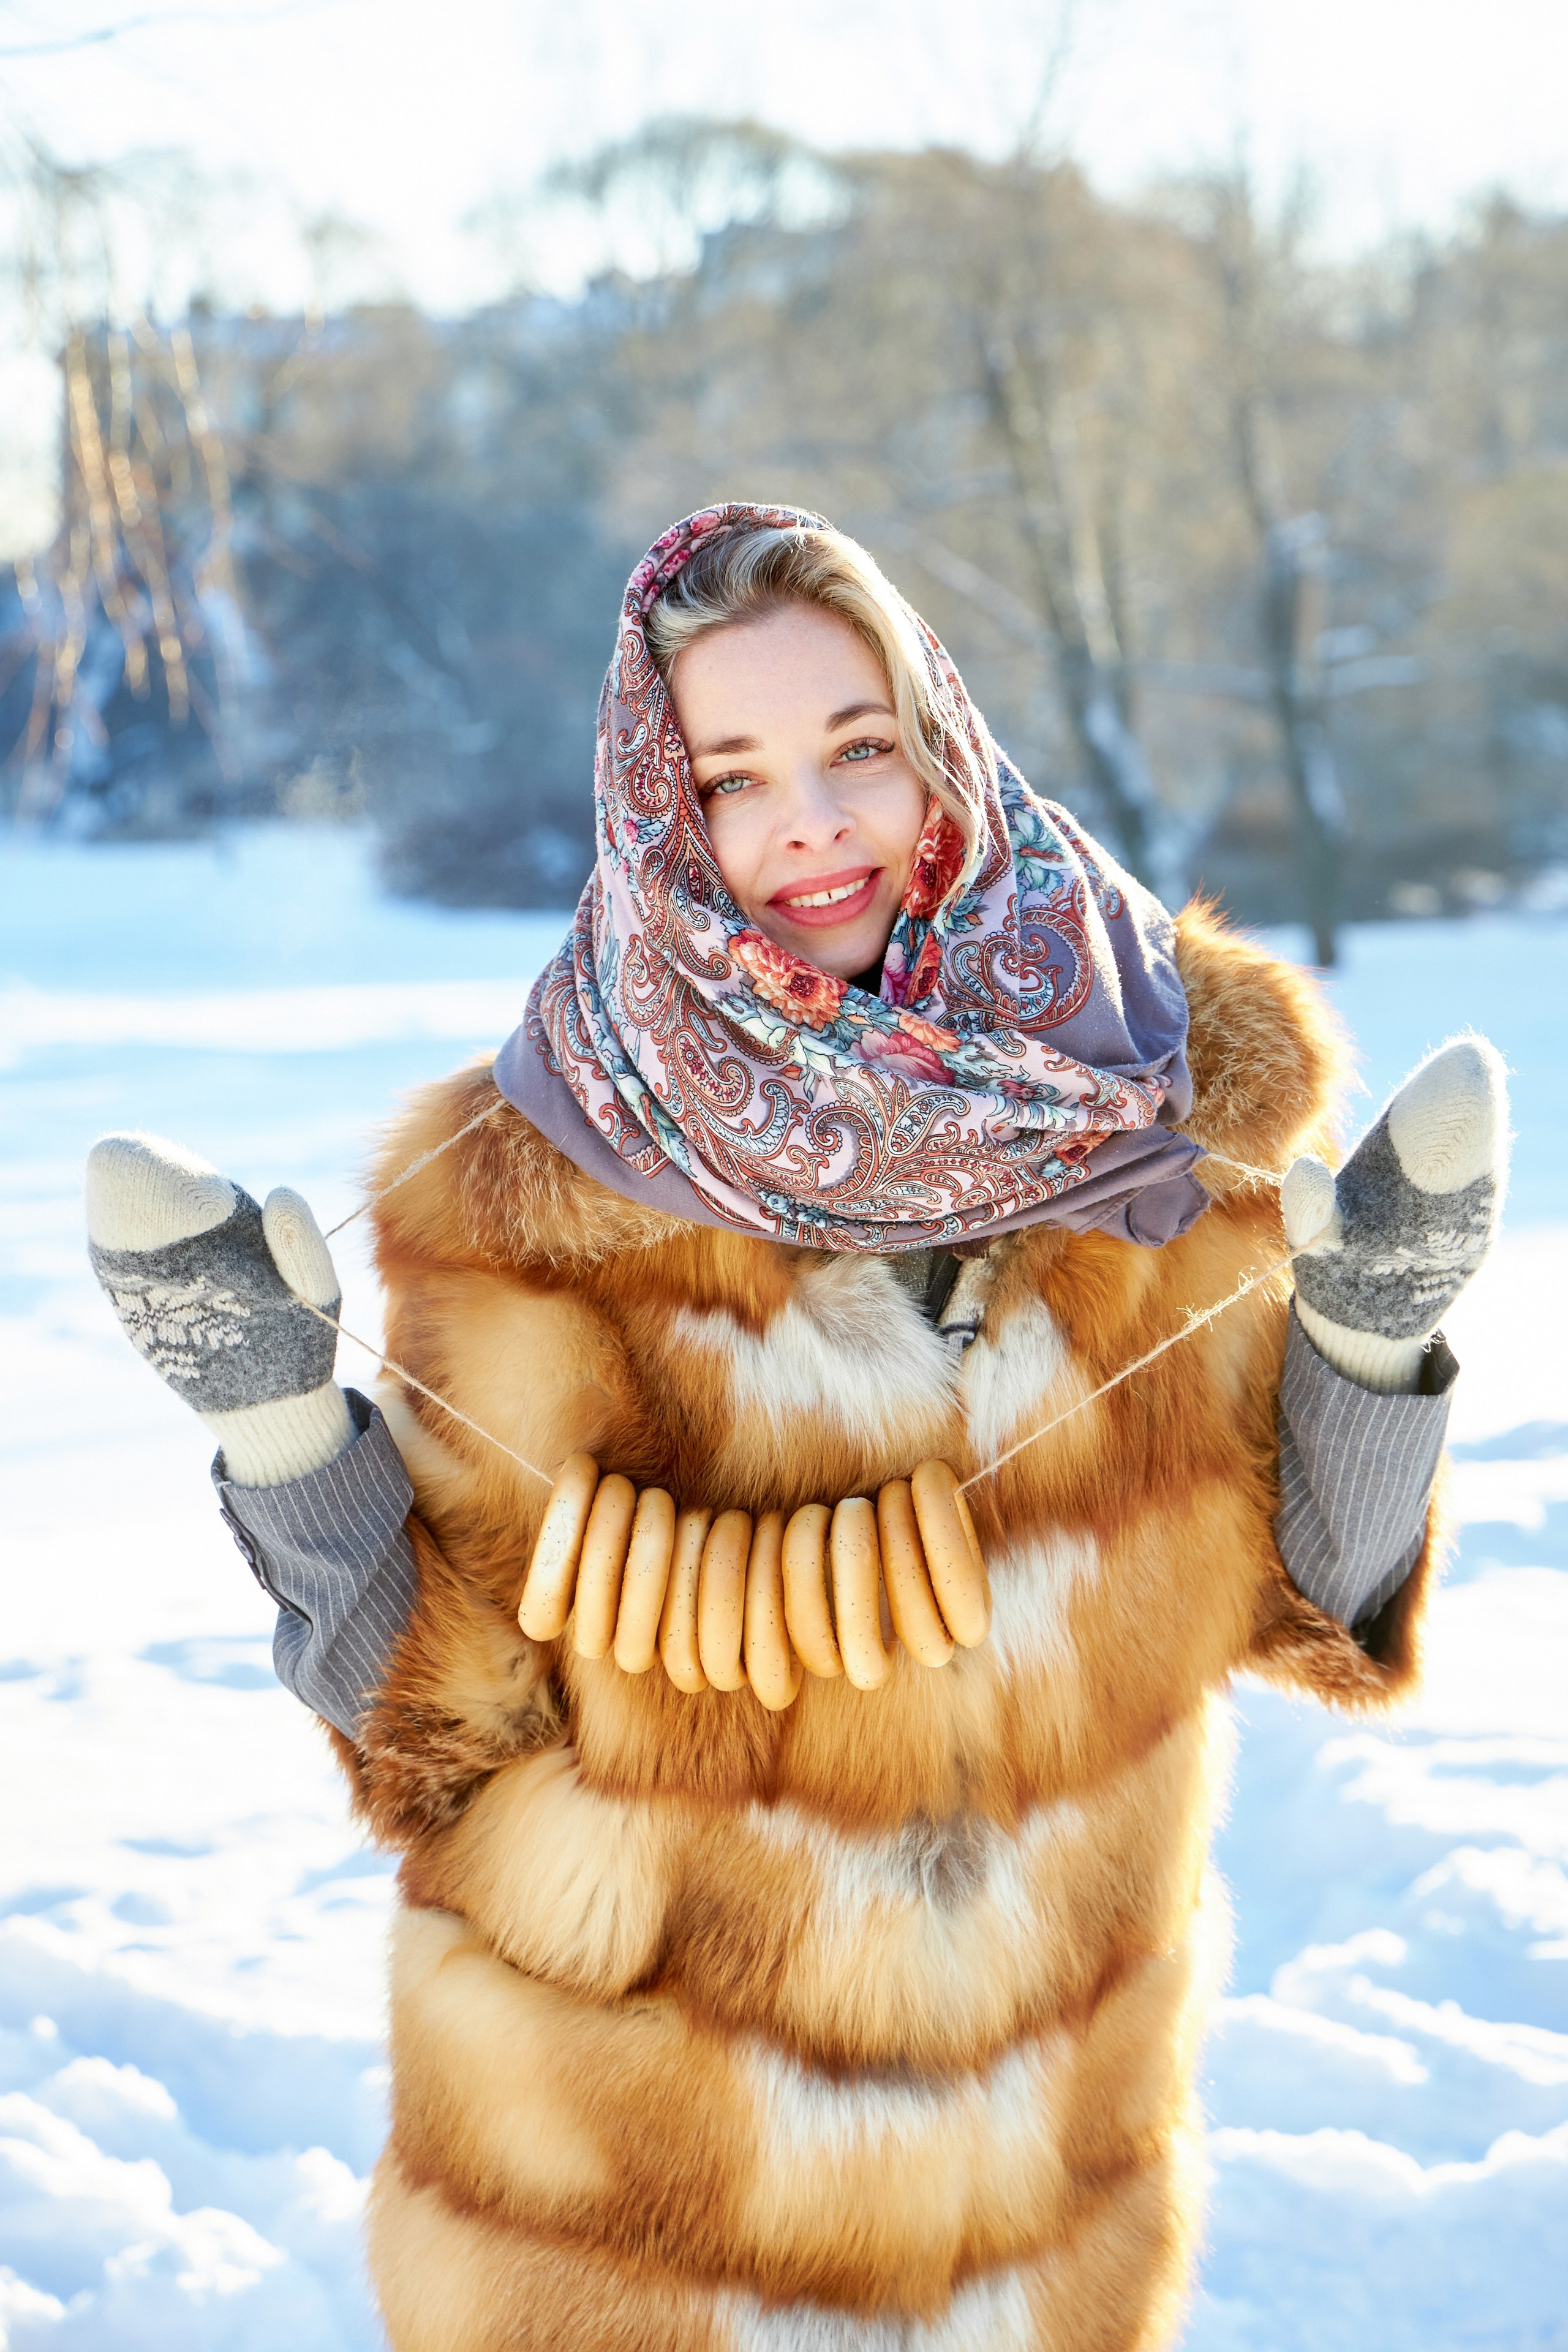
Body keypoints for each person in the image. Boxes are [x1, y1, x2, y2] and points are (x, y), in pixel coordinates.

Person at [86, 505, 1504, 2350]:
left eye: (857, 749)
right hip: (633, 2213)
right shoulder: (529, 1200)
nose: (810, 825)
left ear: (944, 743)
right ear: (660, 813)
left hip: (1038, 2212)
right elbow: (434, 1724)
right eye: (735, 777)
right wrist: (280, 1426)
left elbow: (1313, 1588)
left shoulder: (1157, 1111)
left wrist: (1374, 1349)